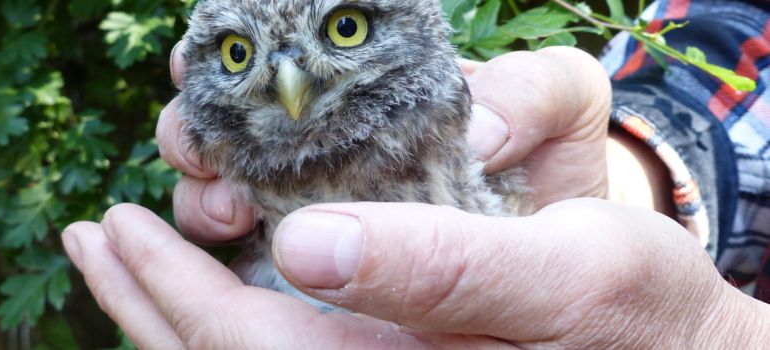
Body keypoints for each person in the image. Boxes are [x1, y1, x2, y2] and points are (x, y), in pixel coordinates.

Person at [61, 0, 770, 347]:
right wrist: (623, 188)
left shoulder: (425, 103)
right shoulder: (237, 143)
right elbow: (725, 73)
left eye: (344, 29)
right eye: (241, 54)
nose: (290, 81)